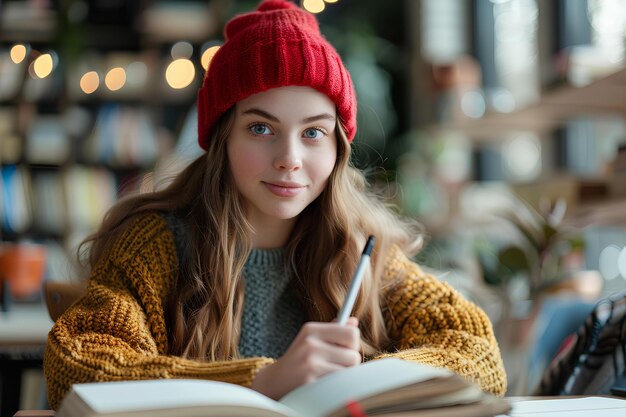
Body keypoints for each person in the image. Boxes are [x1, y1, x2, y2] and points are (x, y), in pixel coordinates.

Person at [44, 0, 507, 409]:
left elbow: (476, 354)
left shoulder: (360, 249)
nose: (289, 159)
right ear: (222, 137)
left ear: (337, 148)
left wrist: (369, 380)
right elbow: (80, 366)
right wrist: (266, 381)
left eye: (313, 133)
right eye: (261, 128)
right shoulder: (156, 244)